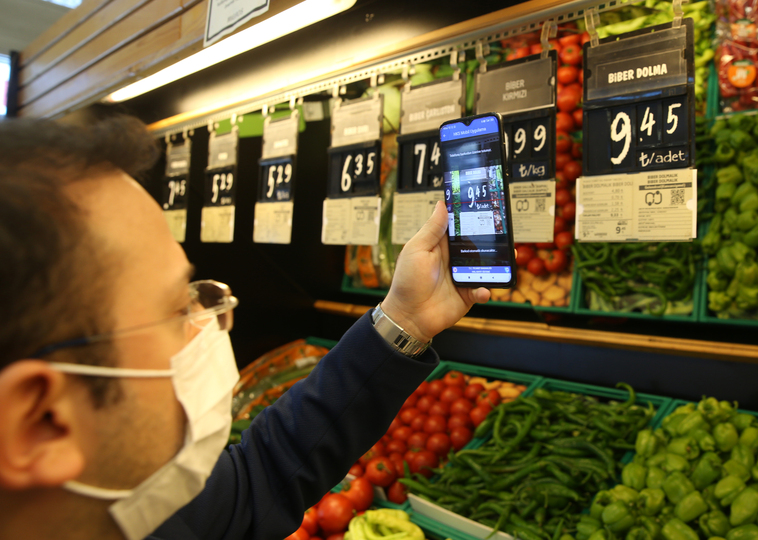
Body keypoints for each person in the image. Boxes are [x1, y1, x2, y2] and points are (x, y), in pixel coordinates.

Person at [0, 115, 490, 540]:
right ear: (40, 419)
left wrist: (404, 320)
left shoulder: (145, 513)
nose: (207, 329)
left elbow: (263, 475)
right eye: (176, 310)